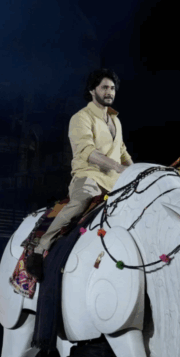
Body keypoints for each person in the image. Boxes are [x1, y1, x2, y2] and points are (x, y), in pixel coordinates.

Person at [26, 68, 134, 281]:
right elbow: (87, 152)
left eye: (112, 88)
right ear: (92, 90)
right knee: (80, 202)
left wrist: (137, 170)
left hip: (115, 182)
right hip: (88, 177)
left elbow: (122, 152)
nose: (109, 92)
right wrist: (118, 167)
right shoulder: (81, 118)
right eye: (104, 87)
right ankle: (39, 248)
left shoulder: (116, 121)